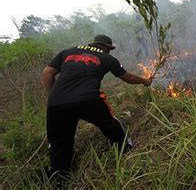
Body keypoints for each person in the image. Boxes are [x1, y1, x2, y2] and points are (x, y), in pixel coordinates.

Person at [41, 34, 152, 178]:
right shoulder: (107, 58)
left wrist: (54, 94)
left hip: (57, 103)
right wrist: (145, 81)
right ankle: (126, 152)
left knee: (59, 142)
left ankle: (60, 178)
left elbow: (47, 73)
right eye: (109, 49)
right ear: (106, 48)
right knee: (111, 124)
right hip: (88, 99)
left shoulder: (67, 52)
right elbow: (128, 77)